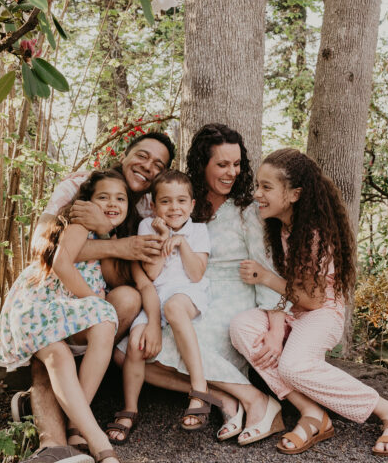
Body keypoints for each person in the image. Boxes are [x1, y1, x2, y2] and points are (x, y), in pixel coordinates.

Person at [229, 148, 388, 457]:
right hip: (290, 310)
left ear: (294, 194)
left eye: (266, 187)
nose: (257, 194)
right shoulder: (278, 227)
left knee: (294, 367)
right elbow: (283, 295)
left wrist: (265, 277)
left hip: (321, 312)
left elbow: (313, 301)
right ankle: (312, 413)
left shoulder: (314, 234)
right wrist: (275, 329)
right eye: (257, 185)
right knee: (241, 326)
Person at [112, 124, 286, 446]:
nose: (231, 172)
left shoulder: (246, 209)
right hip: (181, 292)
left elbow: (266, 267)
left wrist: (276, 327)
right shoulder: (181, 201)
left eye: (236, 164)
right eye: (222, 164)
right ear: (203, 164)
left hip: (233, 294)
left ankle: (257, 402)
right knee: (127, 353)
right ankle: (221, 396)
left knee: (182, 343)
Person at [16, 132, 175, 463]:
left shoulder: (149, 207)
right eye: (143, 156)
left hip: (93, 302)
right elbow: (42, 249)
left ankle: (72, 421)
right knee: (52, 352)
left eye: (158, 165)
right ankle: (54, 444)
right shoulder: (79, 186)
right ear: (125, 153)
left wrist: (112, 233)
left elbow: (138, 275)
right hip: (54, 296)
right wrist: (114, 242)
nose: (148, 167)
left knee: (127, 300)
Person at [0, 170, 136, 463]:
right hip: (40, 306)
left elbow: (112, 276)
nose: (113, 203)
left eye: (120, 198)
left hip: (65, 311)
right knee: (77, 337)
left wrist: (109, 234)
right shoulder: (79, 225)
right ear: (87, 202)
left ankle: (75, 426)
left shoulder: (104, 233)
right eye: (103, 197)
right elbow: (60, 264)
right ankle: (100, 446)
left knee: (103, 325)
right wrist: (94, 300)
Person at [107, 170, 211, 443]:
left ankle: (198, 391)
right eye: (165, 202)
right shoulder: (147, 226)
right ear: (153, 205)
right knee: (135, 343)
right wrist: (164, 235)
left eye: (181, 201)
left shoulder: (199, 231)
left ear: (192, 205)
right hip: (156, 294)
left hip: (187, 293)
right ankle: (130, 408)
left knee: (175, 308)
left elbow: (196, 274)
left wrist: (182, 244)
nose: (174, 208)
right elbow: (152, 274)